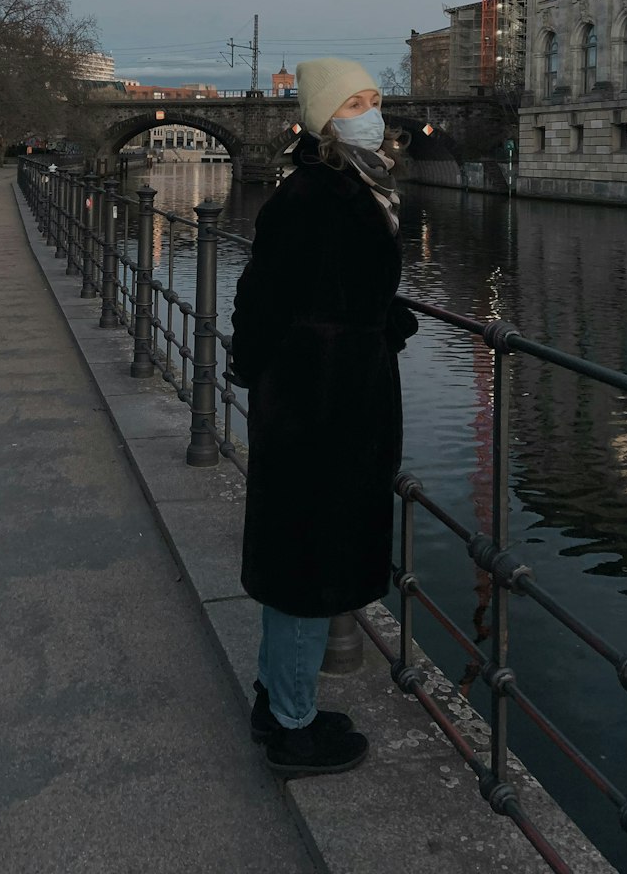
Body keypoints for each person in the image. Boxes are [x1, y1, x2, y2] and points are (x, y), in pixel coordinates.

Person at [231, 58, 417, 777]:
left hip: (331, 396)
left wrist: (380, 320)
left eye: (373, 99)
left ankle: (277, 697)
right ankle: (294, 729)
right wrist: (278, 370)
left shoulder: (352, 184)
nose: (371, 111)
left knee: (300, 558)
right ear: (323, 119)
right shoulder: (315, 194)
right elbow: (267, 298)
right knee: (310, 566)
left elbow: (338, 288)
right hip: (321, 407)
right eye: (355, 103)